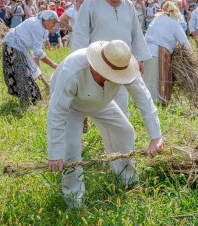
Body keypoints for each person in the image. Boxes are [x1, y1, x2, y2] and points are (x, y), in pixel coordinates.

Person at [47, 40, 163, 208]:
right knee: (71, 149)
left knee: (124, 130)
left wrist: (156, 136)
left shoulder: (123, 65)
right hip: (72, 106)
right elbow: (57, 112)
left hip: (101, 102)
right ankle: (74, 200)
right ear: (96, 65)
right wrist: (54, 153)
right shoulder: (72, 70)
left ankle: (126, 178)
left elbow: (143, 98)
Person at [71, 0, 151, 118]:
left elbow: (136, 33)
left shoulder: (128, 6)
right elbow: (80, 34)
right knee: (89, 101)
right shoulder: (91, 3)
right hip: (96, 63)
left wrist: (139, 59)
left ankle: (120, 135)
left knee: (120, 104)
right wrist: (80, 63)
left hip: (121, 62)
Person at [2, 10, 59, 106]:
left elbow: (36, 52)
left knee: (27, 73)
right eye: (53, 23)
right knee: (22, 75)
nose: (54, 26)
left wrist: (36, 69)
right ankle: (27, 104)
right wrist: (53, 65)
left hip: (20, 47)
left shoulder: (42, 27)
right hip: (12, 46)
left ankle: (31, 102)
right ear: (47, 20)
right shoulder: (36, 26)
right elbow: (38, 52)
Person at [144, 1, 191, 104]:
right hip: (160, 53)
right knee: (159, 79)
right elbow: (184, 42)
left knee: (148, 79)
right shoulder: (173, 23)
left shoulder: (156, 20)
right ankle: (159, 103)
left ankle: (145, 103)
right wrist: (191, 57)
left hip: (146, 51)